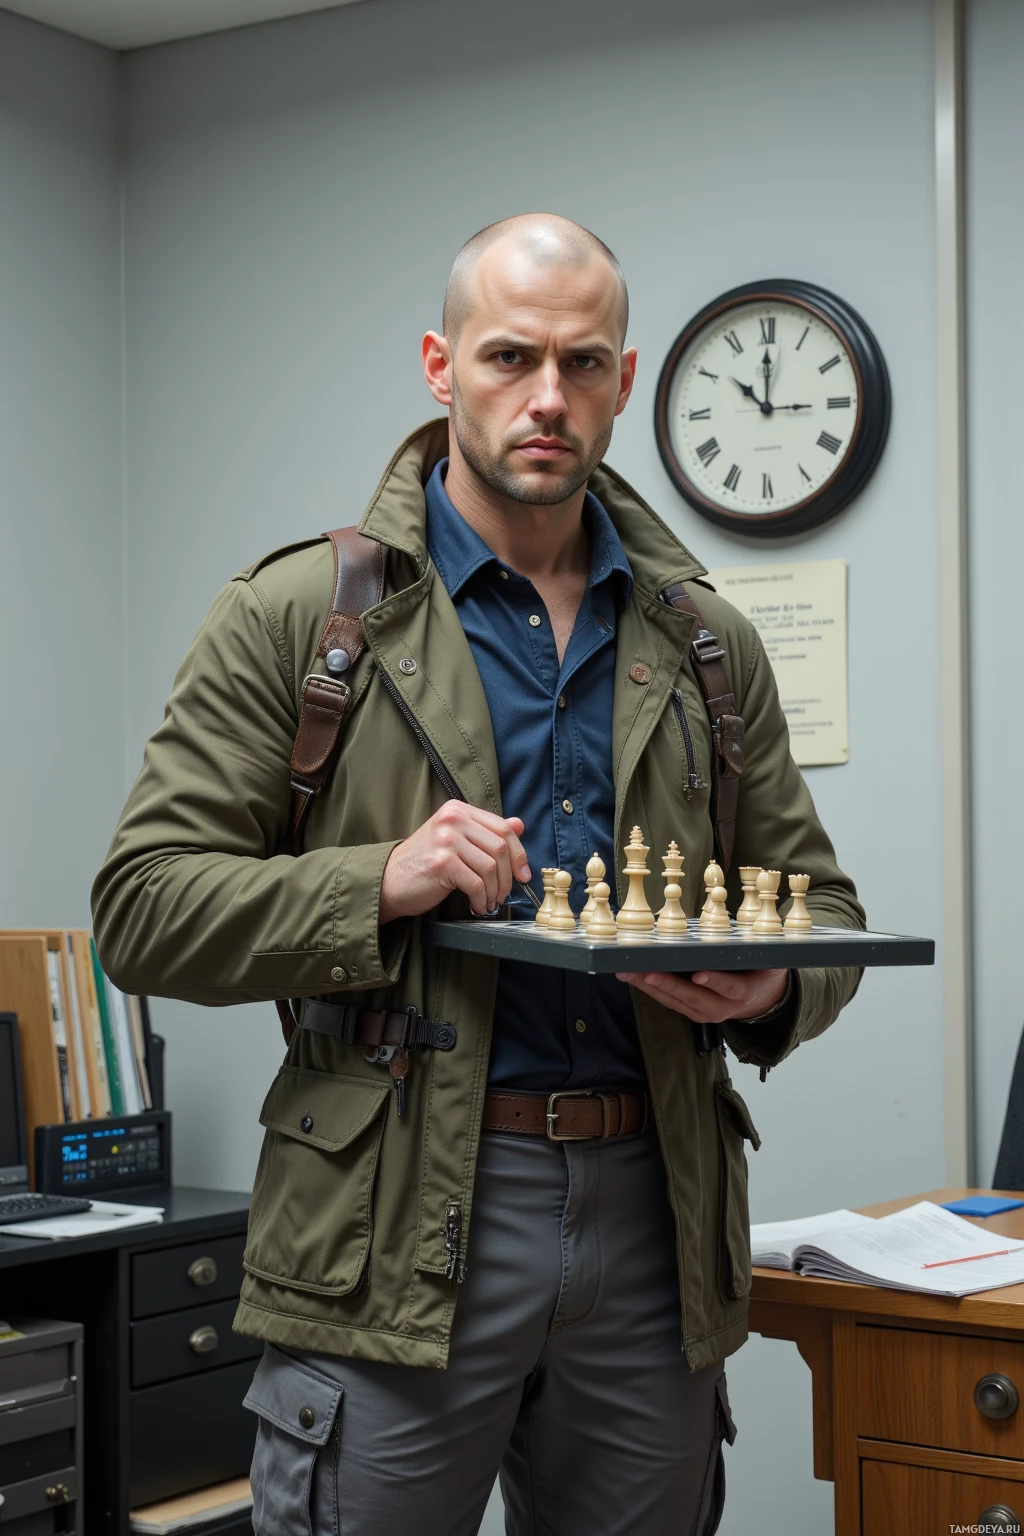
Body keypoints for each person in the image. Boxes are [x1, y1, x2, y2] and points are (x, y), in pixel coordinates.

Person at [92, 213, 864, 1536]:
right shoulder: (305, 614)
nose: (548, 397)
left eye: (584, 363)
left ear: (622, 380)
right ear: (443, 367)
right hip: (391, 1215)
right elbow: (142, 909)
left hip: (651, 1214)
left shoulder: (709, 640)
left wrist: (772, 984)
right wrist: (378, 880)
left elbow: (820, 909)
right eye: (512, 357)